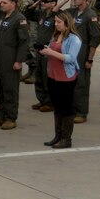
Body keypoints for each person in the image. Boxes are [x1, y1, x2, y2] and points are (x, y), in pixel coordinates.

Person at [38, 11, 82, 149]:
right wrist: (46, 51)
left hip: (66, 78)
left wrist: (51, 52)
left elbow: (70, 58)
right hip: (53, 75)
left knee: (66, 108)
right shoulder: (56, 35)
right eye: (55, 22)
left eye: (58, 22)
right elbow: (54, 53)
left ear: (67, 23)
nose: (55, 24)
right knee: (57, 107)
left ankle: (66, 139)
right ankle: (58, 135)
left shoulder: (74, 39)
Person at [0, 0, 29, 131]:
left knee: (10, 88)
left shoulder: (19, 19)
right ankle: (0, 115)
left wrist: (19, 61)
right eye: (2, 2)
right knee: (0, 87)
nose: (2, 5)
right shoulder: (2, 15)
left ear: (13, 4)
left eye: (5, 2)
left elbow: (24, 42)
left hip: (11, 58)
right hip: (0, 57)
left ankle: (11, 118)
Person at [67, 0, 100, 123]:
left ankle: (81, 112)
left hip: (82, 50)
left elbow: (95, 39)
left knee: (81, 83)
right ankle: (72, 109)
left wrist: (89, 59)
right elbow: (55, 12)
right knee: (70, 81)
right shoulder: (73, 12)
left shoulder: (90, 15)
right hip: (71, 50)